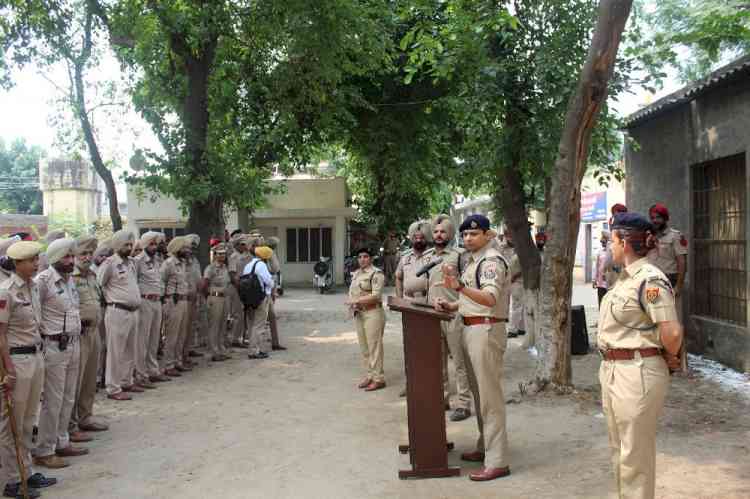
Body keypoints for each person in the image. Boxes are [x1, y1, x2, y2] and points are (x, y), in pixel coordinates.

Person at [598, 212, 683, 499]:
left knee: (635, 455)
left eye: (613, 240)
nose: (610, 246)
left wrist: (670, 357)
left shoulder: (650, 280)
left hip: (637, 371)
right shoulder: (624, 279)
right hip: (614, 369)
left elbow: (671, 333)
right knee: (620, 450)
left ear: (624, 242)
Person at [434, 214, 511, 482]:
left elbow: (489, 298)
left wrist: (459, 287)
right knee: (480, 396)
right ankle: (484, 446)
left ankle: (498, 460)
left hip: (486, 330)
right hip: (470, 326)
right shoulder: (474, 261)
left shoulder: (492, 261)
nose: (468, 238)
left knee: (489, 398)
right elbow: (472, 298)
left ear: (488, 235)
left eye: (474, 234)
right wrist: (453, 304)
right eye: (465, 235)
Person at [0, 241, 58, 497]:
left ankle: (27, 470)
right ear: (18, 263)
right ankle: (12, 480)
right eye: (31, 260)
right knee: (10, 422)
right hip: (17, 361)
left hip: (35, 357)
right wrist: (8, 370)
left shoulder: (33, 288)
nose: (37, 264)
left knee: (28, 420)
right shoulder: (6, 292)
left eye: (37, 259)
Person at [33, 238, 88, 469]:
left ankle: (61, 441)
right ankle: (44, 450)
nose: (71, 261)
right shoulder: (43, 280)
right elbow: (35, 314)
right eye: (66, 257)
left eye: (72, 257)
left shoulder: (69, 281)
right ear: (55, 257)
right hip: (54, 346)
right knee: (53, 401)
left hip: (73, 342)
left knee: (68, 396)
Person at [429, 214, 472, 422]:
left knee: (459, 361)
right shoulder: (429, 256)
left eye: (443, 231)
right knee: (438, 362)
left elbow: (468, 286)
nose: (438, 235)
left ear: (451, 234)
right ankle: (443, 398)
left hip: (453, 315)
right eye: (436, 232)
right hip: (432, 315)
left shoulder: (459, 255)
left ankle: (464, 404)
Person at [69, 236, 109, 442]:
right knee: (75, 380)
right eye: (82, 254)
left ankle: (86, 416)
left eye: (89, 253)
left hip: (94, 331)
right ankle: (71, 424)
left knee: (90, 378)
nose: (86, 257)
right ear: (73, 256)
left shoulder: (92, 275)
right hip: (79, 334)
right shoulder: (71, 277)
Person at [98, 230, 142, 401]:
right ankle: (113, 387)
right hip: (117, 311)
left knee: (131, 349)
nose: (129, 248)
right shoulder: (109, 263)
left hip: (133, 311)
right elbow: (99, 285)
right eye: (126, 245)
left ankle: (126, 381)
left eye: (131, 245)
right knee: (116, 351)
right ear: (117, 245)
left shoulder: (131, 263)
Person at [395, 220, 432, 397]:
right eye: (415, 236)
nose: (418, 239)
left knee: (429, 347)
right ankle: (410, 384)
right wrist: (399, 298)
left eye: (422, 236)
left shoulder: (433, 256)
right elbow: (398, 277)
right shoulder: (405, 258)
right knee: (410, 346)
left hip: (427, 304)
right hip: (409, 306)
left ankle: (429, 384)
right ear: (411, 238)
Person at [347, 247, 386, 392]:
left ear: (371, 258)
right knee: (364, 348)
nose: (362, 259)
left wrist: (356, 301)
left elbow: (376, 295)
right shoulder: (357, 274)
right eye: (360, 257)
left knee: (374, 347)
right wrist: (353, 304)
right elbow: (352, 291)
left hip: (373, 312)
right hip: (360, 313)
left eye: (365, 257)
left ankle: (379, 379)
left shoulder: (376, 273)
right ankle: (370, 375)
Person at [133, 232, 169, 386]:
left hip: (157, 301)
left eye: (155, 244)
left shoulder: (157, 261)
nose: (154, 247)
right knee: (143, 339)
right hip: (144, 301)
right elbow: (133, 282)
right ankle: (141, 374)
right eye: (151, 244)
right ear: (144, 245)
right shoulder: (137, 261)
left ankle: (153, 370)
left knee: (155, 338)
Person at [160, 236, 191, 377]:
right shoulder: (169, 263)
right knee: (172, 334)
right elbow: (162, 282)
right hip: (173, 300)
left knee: (181, 334)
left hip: (184, 300)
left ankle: (178, 361)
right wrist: (166, 300)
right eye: (184, 247)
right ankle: (168, 364)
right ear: (177, 248)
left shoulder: (183, 263)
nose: (187, 250)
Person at [241, 246, 275, 360]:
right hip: (261, 298)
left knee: (251, 324)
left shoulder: (248, 265)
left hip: (249, 299)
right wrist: (273, 283)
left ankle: (253, 348)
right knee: (259, 325)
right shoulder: (261, 265)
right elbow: (268, 281)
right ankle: (254, 351)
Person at [647, 204, 687, 295]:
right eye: (652, 218)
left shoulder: (675, 236)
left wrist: (678, 286)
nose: (655, 220)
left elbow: (682, 262)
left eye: (658, 217)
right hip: (651, 281)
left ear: (665, 218)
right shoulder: (649, 236)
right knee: (653, 308)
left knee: (671, 309)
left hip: (669, 280)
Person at [202, 243, 231, 362]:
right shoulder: (210, 268)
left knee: (223, 325)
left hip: (224, 298)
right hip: (214, 298)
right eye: (219, 254)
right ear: (214, 255)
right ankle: (213, 352)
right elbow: (204, 284)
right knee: (214, 325)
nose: (222, 256)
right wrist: (208, 297)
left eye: (224, 254)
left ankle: (221, 349)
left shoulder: (225, 268)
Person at [227, 235, 252, 349]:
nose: (244, 246)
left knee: (244, 315)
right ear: (236, 245)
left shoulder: (248, 256)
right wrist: (240, 288)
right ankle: (234, 339)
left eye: (245, 244)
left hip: (245, 287)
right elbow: (232, 275)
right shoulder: (233, 257)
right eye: (242, 244)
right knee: (237, 314)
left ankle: (242, 337)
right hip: (236, 288)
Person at [499, 227, 524, 338]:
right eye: (507, 233)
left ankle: (514, 329)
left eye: (510, 233)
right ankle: (521, 328)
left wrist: (514, 276)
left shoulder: (521, 246)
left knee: (518, 305)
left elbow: (524, 265)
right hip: (504, 279)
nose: (509, 236)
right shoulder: (501, 247)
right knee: (507, 303)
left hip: (517, 280)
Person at [264, 237, 285, 351]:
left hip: (271, 283)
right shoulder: (267, 254)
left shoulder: (271, 252)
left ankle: (274, 342)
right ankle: (259, 345)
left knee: (271, 315)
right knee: (264, 317)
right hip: (266, 287)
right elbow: (273, 269)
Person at [594, 231, 612, 308]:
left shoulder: (612, 252)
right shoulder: (599, 253)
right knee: (601, 301)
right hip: (601, 282)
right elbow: (597, 267)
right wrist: (594, 279)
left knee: (608, 302)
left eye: (604, 242)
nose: (603, 244)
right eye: (602, 242)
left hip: (609, 283)